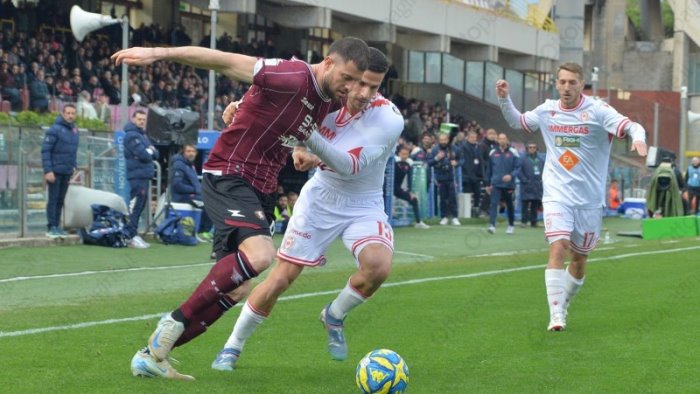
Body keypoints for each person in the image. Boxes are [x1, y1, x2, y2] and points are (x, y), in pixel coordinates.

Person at [113, 37, 370, 379]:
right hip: (230, 172)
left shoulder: (330, 102)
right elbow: (222, 60)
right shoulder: (293, 75)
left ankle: (152, 356)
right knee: (262, 255)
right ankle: (172, 322)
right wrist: (158, 53)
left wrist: (255, 113)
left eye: (359, 82)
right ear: (327, 63)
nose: (352, 88)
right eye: (348, 78)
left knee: (237, 288)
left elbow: (283, 123)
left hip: (260, 188)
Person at [209, 47, 403, 371]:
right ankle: (233, 345)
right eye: (361, 84)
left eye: (375, 86)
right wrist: (239, 107)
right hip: (321, 198)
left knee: (378, 266)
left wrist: (306, 139)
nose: (366, 93)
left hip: (364, 202)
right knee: (281, 278)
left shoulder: (389, 118)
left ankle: (334, 315)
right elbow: (278, 108)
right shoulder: (326, 98)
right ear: (349, 77)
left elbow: (349, 164)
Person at [496, 62, 647, 331]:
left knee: (579, 260)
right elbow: (518, 121)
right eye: (562, 82)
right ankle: (556, 315)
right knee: (558, 247)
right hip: (557, 193)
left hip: (589, 200)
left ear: (581, 85)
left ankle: (562, 303)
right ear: (556, 84)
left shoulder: (598, 111)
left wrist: (639, 138)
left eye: (572, 83)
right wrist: (505, 99)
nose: (567, 87)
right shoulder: (547, 110)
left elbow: (632, 125)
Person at [41, 104, 78, 238]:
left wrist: (74, 166)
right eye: (68, 113)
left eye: (73, 113)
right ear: (62, 114)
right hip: (55, 171)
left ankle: (57, 225)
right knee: (53, 199)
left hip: (66, 171)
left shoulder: (74, 130)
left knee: (60, 200)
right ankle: (51, 227)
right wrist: (48, 170)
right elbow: (45, 151)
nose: (70, 115)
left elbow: (73, 152)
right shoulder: (54, 130)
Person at [123, 110, 157, 249]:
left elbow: (156, 153)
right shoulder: (132, 136)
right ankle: (129, 235)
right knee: (136, 205)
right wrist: (149, 151)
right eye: (139, 119)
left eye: (144, 119)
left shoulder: (142, 135)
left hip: (143, 175)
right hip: (137, 175)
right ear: (133, 119)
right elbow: (144, 155)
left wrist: (150, 151)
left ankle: (133, 233)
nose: (142, 121)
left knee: (140, 205)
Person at [170, 143, 212, 241]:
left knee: (211, 200)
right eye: (188, 151)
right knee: (208, 204)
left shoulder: (189, 164)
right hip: (183, 197)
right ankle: (202, 232)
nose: (191, 154)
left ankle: (204, 231)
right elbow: (177, 185)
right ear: (183, 152)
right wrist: (195, 190)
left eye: (193, 151)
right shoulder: (179, 164)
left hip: (191, 195)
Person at [485, 132, 520, 234]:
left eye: (504, 139)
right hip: (496, 184)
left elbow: (518, 168)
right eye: (500, 139)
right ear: (498, 140)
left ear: (507, 140)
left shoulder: (513, 152)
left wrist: (511, 175)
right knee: (493, 204)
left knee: (509, 205)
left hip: (509, 184)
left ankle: (511, 225)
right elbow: (489, 170)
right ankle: (492, 225)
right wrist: (487, 184)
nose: (502, 140)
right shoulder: (492, 153)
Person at [394, 145, 430, 228]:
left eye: (406, 154)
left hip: (397, 188)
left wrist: (410, 191)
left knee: (414, 199)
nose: (404, 156)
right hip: (387, 188)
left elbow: (410, 178)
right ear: (399, 154)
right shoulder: (394, 161)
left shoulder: (409, 163)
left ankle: (418, 222)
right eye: (403, 154)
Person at [428, 133, 460, 225]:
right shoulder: (435, 149)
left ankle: (455, 217)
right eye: (441, 140)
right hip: (440, 177)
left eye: (444, 140)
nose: (443, 142)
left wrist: (456, 163)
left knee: (452, 197)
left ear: (448, 140)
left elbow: (461, 160)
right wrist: (437, 158)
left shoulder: (454, 148)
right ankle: (444, 217)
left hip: (451, 176)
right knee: (442, 198)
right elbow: (429, 162)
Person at [457, 130, 485, 218]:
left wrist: (481, 174)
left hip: (476, 175)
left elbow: (480, 160)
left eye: (475, 137)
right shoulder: (463, 147)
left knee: (478, 192)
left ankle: (476, 209)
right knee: (467, 193)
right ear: (468, 138)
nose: (474, 139)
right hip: (467, 175)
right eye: (472, 137)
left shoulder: (478, 147)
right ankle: (467, 211)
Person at [519, 143, 544, 227]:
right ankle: (524, 221)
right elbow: (519, 171)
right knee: (525, 204)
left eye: (534, 147)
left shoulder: (540, 159)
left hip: (537, 185)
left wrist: (541, 180)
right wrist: (524, 180)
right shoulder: (522, 159)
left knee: (535, 204)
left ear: (536, 149)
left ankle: (534, 221)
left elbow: (544, 171)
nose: (532, 149)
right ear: (527, 148)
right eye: (530, 147)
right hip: (526, 184)